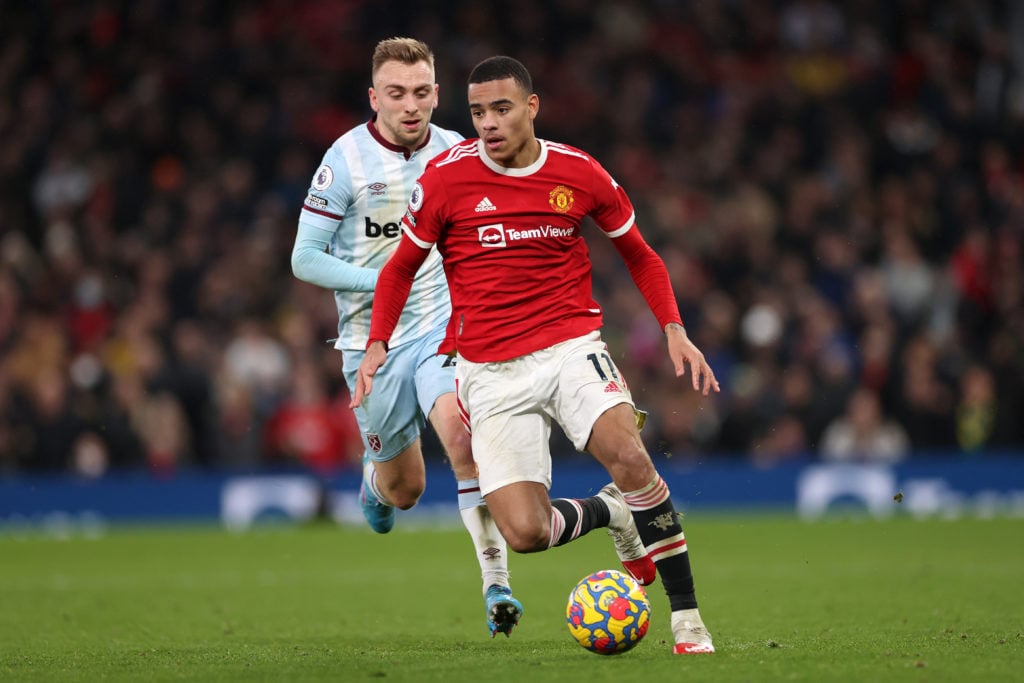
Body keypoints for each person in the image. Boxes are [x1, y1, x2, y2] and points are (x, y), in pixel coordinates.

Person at [352, 55, 720, 655]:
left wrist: (674, 328)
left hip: (570, 348)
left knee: (629, 454)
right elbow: (398, 271)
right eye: (476, 112)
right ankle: (612, 514)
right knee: (525, 532)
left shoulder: (579, 172)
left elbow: (641, 255)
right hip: (489, 372)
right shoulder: (446, 179)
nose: (488, 123)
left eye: (500, 109)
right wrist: (377, 343)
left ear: (531, 107)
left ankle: (687, 618)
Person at [291, 38, 523, 637]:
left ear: (438, 94)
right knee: (407, 488)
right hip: (372, 342)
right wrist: (384, 279)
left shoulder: (460, 152)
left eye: (422, 93)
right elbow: (304, 259)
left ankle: (496, 583)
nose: (410, 105)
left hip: (445, 328)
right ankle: (375, 479)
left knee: (461, 437)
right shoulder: (344, 160)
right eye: (396, 94)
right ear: (375, 97)